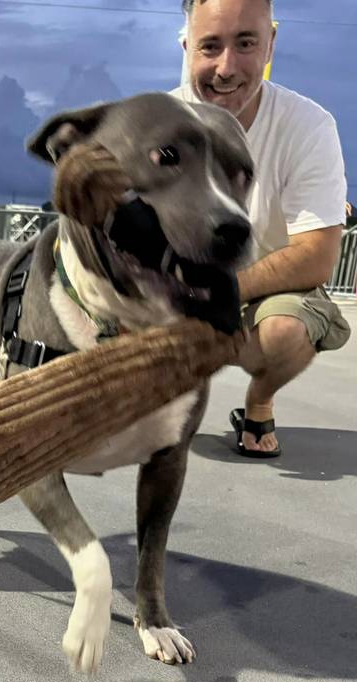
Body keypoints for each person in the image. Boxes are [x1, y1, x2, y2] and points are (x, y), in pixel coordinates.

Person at [174, 0, 350, 458]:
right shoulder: (157, 123)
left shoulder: (308, 126)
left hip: (268, 286)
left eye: (246, 43)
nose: (226, 68)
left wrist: (218, 292)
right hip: (178, 285)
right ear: (186, 46)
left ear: (271, 42)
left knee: (284, 334)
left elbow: (316, 255)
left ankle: (259, 399)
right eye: (210, 46)